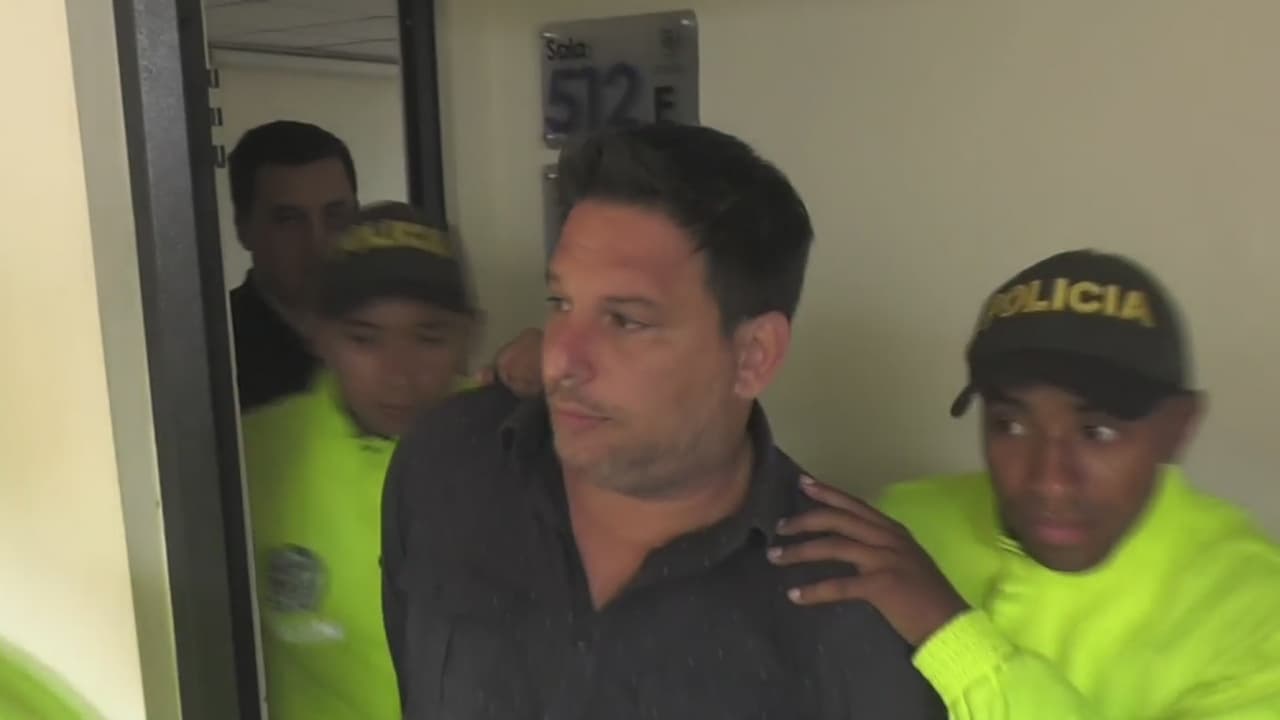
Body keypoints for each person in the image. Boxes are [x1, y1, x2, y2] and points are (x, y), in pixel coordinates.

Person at [380, 125, 944, 719]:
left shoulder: (852, 612)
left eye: (626, 321)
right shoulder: (448, 463)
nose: (561, 359)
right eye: (561, 303)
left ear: (754, 356)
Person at [769, 250, 1280, 717]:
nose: (1050, 482)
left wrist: (948, 634)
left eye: (1097, 433)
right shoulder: (900, 528)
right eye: (1010, 425)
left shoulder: (1254, 609)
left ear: (1179, 427)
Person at [243, 202, 480, 719]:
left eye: (429, 337)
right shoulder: (251, 458)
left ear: (469, 334)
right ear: (319, 335)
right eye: (364, 339)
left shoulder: (515, 449)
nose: (399, 373)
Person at [228, 120, 359, 411]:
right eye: (289, 220)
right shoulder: (217, 350)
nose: (318, 243)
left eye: (335, 215)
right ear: (243, 227)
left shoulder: (389, 328)